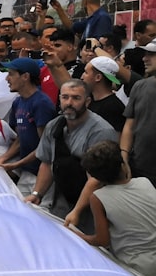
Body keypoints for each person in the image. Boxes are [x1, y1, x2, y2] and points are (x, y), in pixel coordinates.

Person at [26, 79, 119, 225]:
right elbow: (47, 162)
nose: (69, 103)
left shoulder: (100, 131)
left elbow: (96, 180)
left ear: (87, 102)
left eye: (76, 98)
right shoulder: (54, 126)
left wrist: (76, 211)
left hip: (94, 203)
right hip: (63, 196)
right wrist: (37, 194)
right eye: (65, 97)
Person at [70, 140, 156, 276]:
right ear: (123, 165)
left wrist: (77, 236)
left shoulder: (98, 198)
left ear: (94, 177)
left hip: (137, 267)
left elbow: (102, 240)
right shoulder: (144, 182)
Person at [0, 58, 57, 196]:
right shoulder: (18, 102)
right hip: (26, 171)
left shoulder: (41, 104)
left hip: (42, 174)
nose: (6, 78)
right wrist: (3, 158)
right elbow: (20, 138)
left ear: (25, 77)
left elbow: (45, 146)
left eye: (11, 74)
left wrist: (16, 164)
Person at [121, 40, 156, 185]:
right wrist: (124, 156)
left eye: (152, 54)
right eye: (145, 53)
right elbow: (129, 126)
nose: (144, 58)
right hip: (140, 169)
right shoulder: (140, 86)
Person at [82, 55, 125, 132]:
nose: (82, 77)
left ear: (98, 77)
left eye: (86, 72)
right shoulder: (90, 100)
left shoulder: (113, 108)